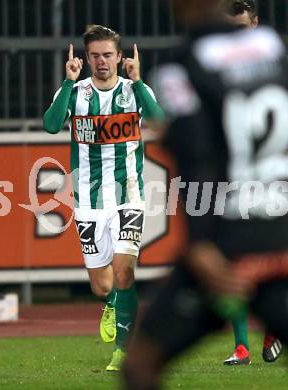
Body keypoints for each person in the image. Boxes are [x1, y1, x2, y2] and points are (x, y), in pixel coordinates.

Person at [122, 0, 288, 388]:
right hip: (280, 232)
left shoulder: (183, 64)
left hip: (229, 244)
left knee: (141, 365)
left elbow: (199, 158)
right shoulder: (274, 47)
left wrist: (199, 243)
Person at [43, 24, 163, 371]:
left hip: (129, 195)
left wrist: (139, 81)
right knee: (103, 285)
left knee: (125, 272)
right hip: (88, 201)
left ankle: (123, 352)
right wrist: (67, 81)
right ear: (86, 58)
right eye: (94, 55)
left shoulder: (134, 91)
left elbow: (160, 121)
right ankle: (111, 302)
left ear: (120, 57)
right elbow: (51, 125)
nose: (101, 61)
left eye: (108, 54)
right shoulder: (76, 92)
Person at [222, 0, 282, 365]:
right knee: (233, 264)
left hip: (274, 178)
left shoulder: (274, 63)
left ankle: (274, 329)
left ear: (255, 23)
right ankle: (242, 346)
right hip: (233, 179)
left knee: (273, 260)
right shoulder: (218, 69)